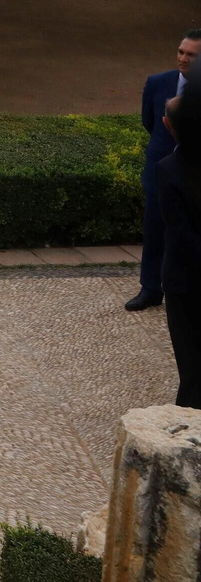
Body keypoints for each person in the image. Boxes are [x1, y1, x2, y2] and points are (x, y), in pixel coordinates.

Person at [129, 29, 200, 311]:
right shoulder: (158, 83)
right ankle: (150, 289)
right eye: (181, 52)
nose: (183, 58)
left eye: (191, 55)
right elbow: (150, 122)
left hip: (195, 177)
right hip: (161, 169)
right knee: (155, 229)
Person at [158, 86, 201, 406]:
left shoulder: (168, 169)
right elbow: (180, 233)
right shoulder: (168, 171)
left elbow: (181, 233)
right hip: (185, 283)